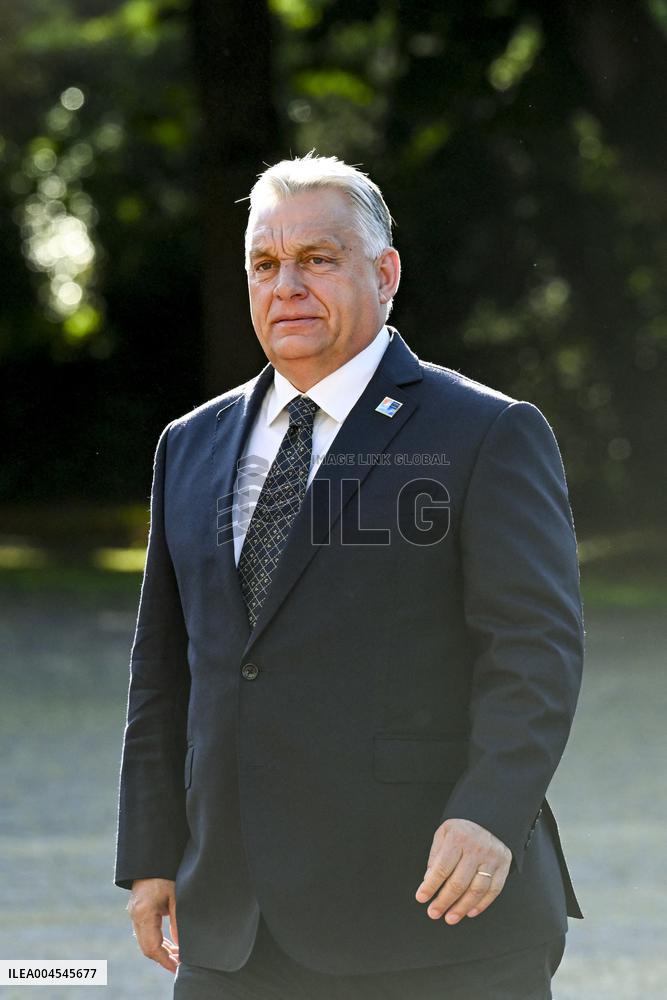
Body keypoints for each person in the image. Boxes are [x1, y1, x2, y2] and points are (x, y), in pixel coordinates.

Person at [115, 153, 584, 1000]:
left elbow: (535, 648)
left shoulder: (486, 432)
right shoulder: (187, 444)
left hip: (430, 916)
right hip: (234, 927)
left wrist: (490, 810)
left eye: (317, 259)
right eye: (266, 263)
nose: (286, 284)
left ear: (385, 272)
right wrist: (151, 853)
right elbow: (163, 670)